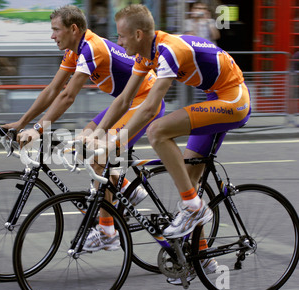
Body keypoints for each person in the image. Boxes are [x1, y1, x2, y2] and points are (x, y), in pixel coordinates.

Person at [3, 5, 165, 251]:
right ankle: (125, 189)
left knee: (98, 153)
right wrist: (21, 123)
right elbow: (53, 90)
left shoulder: (91, 48)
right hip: (126, 103)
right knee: (83, 144)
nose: (52, 35)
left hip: (144, 102)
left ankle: (107, 231)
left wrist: (37, 130)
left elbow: (68, 96)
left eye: (56, 30)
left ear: (73, 29)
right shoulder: (74, 51)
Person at [86, 4, 250, 242]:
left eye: (121, 36)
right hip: (215, 97)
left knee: (157, 131)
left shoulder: (169, 51)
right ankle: (202, 258)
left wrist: (113, 143)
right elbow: (124, 100)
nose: (118, 42)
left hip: (233, 99)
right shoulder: (145, 55)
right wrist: (99, 133)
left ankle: (194, 208)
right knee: (188, 180)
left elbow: (150, 108)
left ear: (138, 35)